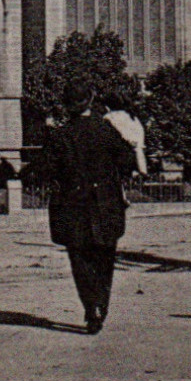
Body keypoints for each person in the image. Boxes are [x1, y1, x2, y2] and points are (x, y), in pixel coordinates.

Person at [45, 85, 138, 333]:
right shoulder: (105, 130)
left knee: (80, 259)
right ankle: (101, 305)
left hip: (73, 204)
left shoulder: (60, 135)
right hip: (105, 204)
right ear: (90, 102)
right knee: (105, 257)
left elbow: (48, 169)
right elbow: (127, 160)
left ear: (67, 106)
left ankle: (90, 308)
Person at [102, 90, 150, 176]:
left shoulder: (109, 118)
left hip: (117, 160)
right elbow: (139, 145)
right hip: (136, 159)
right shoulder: (133, 118)